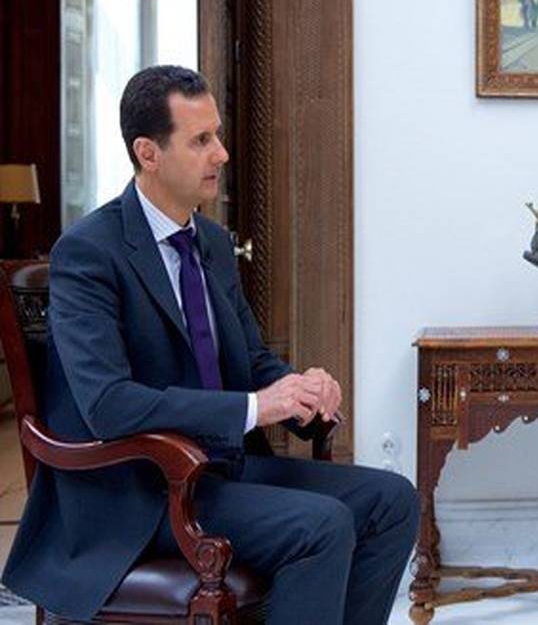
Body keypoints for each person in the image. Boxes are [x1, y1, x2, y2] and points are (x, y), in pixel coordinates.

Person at [2, 65, 419, 624]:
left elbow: (251, 361)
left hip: (218, 472)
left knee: (392, 501)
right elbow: (108, 403)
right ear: (148, 153)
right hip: (136, 492)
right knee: (322, 526)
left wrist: (300, 390)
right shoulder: (88, 252)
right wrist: (254, 407)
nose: (221, 153)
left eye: (216, 135)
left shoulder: (214, 244)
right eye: (201, 140)